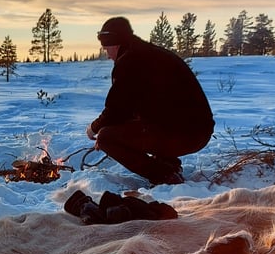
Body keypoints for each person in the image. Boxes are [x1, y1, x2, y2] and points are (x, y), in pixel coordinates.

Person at [86, 16, 214, 185]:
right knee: (144, 122)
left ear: (114, 43)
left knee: (106, 138)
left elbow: (117, 110)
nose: (107, 54)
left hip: (185, 134)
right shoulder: (148, 54)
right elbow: (142, 106)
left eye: (105, 48)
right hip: (198, 131)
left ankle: (164, 175)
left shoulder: (130, 61)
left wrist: (95, 128)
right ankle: (168, 165)